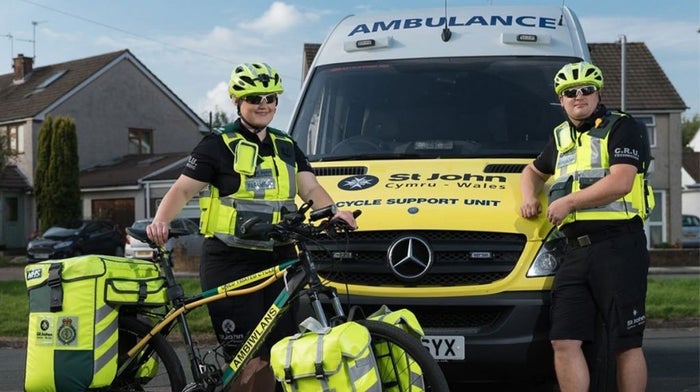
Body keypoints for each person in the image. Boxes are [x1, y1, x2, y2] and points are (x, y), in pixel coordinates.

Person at [146, 62, 357, 391]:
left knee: (276, 354)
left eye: (270, 97)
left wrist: (334, 213)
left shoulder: (286, 146)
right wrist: (160, 221)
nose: (264, 104)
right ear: (236, 100)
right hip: (231, 262)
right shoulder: (217, 145)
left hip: (280, 260)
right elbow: (183, 189)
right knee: (245, 359)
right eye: (254, 97)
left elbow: (311, 189)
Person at [519, 61, 654, 391]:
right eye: (569, 92)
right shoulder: (561, 136)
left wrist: (567, 202)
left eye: (585, 90)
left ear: (598, 93)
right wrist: (529, 198)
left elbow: (622, 182)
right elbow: (531, 172)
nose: (578, 96)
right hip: (574, 252)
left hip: (619, 246)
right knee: (563, 341)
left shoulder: (623, 127)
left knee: (625, 342)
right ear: (561, 100)